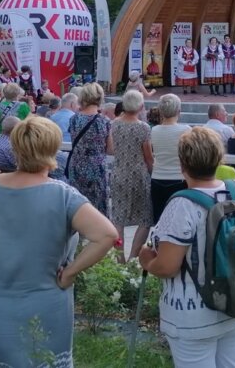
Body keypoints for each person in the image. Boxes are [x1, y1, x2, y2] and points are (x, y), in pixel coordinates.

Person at [0, 116, 116, 366]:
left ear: (16, 148)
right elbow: (107, 235)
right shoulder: (63, 196)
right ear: (52, 149)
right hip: (47, 305)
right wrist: (70, 272)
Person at [140, 126, 235, 367]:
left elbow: (167, 266)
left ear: (182, 164)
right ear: (219, 158)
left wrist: (145, 259)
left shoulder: (182, 204)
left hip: (193, 314)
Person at [111, 90, 153, 262]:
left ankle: (120, 258)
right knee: (145, 217)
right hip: (138, 175)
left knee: (118, 218)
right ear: (141, 106)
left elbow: (112, 148)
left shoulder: (114, 124)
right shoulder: (143, 128)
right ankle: (134, 257)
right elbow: (148, 157)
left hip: (119, 173)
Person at [66, 83, 113, 216]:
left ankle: (80, 233)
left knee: (78, 204)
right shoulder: (104, 121)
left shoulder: (74, 119)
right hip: (96, 168)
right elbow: (110, 149)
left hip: (76, 166)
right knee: (98, 206)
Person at [150, 94, 192, 223]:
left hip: (157, 177)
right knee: (179, 221)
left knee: (159, 222)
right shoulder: (186, 130)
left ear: (161, 111)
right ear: (179, 111)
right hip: (179, 178)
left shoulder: (154, 130)